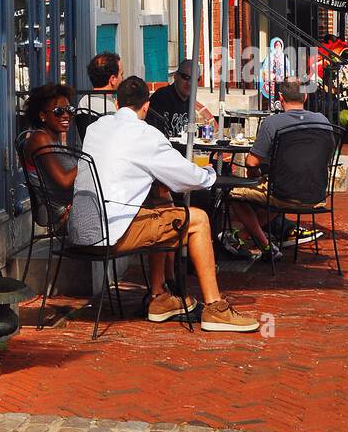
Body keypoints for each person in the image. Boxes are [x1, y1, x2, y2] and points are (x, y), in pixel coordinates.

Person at [77, 76, 259, 333]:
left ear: (118, 102)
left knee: (162, 205)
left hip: (84, 228)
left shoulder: (97, 127)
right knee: (197, 220)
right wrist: (211, 175)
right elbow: (186, 178)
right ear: (146, 106)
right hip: (110, 233)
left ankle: (158, 295)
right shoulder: (145, 134)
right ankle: (215, 307)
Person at [228, 76, 333, 245]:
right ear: (305, 97)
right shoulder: (323, 121)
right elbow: (326, 156)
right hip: (317, 195)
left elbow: (251, 162)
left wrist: (256, 174)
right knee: (277, 188)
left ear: (281, 97)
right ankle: (242, 236)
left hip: (283, 194)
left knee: (233, 194)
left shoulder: (272, 123)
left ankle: (264, 245)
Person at [20, 82, 79, 226]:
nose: (66, 115)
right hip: (64, 216)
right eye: (59, 111)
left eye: (69, 110)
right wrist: (90, 159)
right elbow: (64, 181)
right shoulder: (40, 139)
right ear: (42, 116)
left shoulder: (53, 140)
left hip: (77, 206)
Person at [146, 59, 215, 139]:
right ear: (176, 77)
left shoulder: (190, 101)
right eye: (186, 77)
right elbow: (154, 135)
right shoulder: (162, 97)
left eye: (194, 79)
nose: (189, 83)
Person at [83, 51, 123, 116]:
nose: (122, 79)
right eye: (121, 74)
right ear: (113, 79)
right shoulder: (110, 108)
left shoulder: (83, 102)